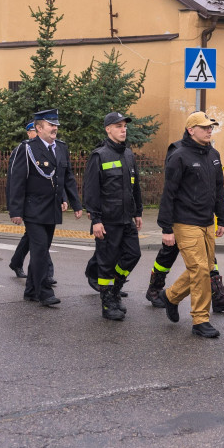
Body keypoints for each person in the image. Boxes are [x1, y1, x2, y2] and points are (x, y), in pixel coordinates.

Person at [156, 111, 224, 338]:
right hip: (184, 222)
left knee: (204, 268)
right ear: (191, 130)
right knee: (199, 270)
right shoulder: (179, 156)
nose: (209, 130)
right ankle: (200, 320)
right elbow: (168, 193)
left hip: (207, 222)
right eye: (205, 127)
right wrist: (166, 228)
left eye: (211, 127)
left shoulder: (213, 154)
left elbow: (219, 189)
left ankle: (170, 297)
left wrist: (222, 218)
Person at [7, 108, 81, 305]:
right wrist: (15, 210)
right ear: (39, 128)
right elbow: (17, 181)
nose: (55, 128)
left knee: (43, 249)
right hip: (33, 208)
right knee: (40, 251)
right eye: (51, 125)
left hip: (52, 208)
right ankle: (44, 292)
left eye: (56, 125)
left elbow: (67, 177)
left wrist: (75, 203)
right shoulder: (27, 148)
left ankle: (31, 290)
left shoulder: (61, 148)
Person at [82, 112, 143, 321]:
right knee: (106, 262)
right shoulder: (100, 155)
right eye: (118, 126)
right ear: (108, 129)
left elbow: (136, 188)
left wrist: (138, 212)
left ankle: (115, 289)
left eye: (124, 126)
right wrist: (96, 220)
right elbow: (91, 190)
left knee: (133, 254)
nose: (123, 129)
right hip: (108, 220)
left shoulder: (128, 155)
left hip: (126, 218)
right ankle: (108, 302)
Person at [7, 121, 39, 279]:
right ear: (28, 133)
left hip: (41, 202)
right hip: (27, 202)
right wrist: (15, 207)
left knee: (33, 235)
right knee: (38, 237)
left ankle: (16, 262)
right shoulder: (22, 149)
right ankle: (45, 273)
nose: (37, 133)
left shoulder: (45, 149)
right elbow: (15, 180)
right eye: (34, 130)